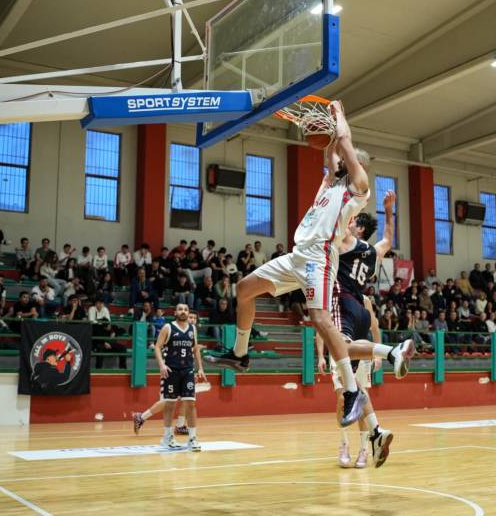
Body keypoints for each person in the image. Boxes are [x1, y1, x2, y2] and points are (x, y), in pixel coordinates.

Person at [205, 101, 406, 427]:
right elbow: (331, 150)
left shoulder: (358, 188)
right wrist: (326, 127)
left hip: (320, 257)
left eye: (344, 158)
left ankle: (353, 392)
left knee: (319, 318)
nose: (338, 158)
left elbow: (342, 142)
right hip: (298, 255)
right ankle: (241, 354)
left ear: (355, 165)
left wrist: (339, 115)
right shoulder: (330, 181)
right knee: (244, 289)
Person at [318, 190, 405, 468]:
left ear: (358, 227)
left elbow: (337, 220)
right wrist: (389, 211)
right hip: (360, 311)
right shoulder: (373, 253)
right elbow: (389, 239)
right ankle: (369, 437)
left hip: (343, 304)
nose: (349, 224)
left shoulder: (347, 241)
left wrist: (342, 191)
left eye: (353, 222)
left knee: (346, 378)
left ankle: (391, 352)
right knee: (350, 390)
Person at [134, 304, 206, 451]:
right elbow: (157, 347)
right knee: (170, 404)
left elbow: (195, 348)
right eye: (180, 309)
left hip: (187, 371)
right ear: (175, 312)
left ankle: (192, 438)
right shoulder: (168, 327)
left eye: (186, 309)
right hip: (171, 370)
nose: (184, 312)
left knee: (190, 404)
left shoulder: (193, 329)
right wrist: (161, 365)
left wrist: (200, 368)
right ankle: (167, 437)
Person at [88, 297, 127, 369]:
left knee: (123, 348)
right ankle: (98, 369)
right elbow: (96, 337)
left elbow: (123, 330)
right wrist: (104, 343)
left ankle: (123, 368)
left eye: (109, 325)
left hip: (110, 344)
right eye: (107, 326)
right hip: (101, 345)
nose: (109, 327)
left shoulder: (112, 326)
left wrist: (115, 332)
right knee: (99, 349)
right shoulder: (97, 328)